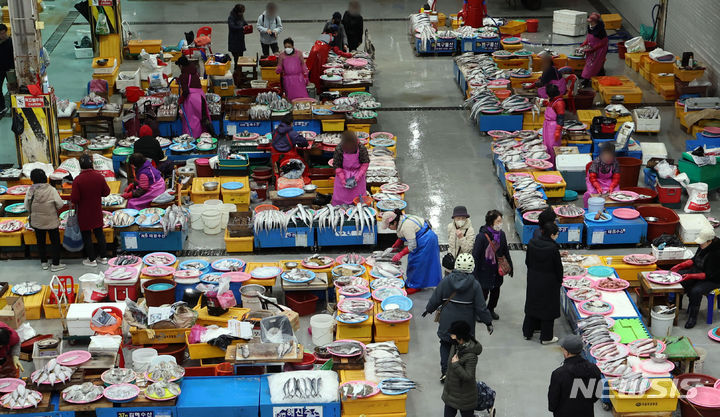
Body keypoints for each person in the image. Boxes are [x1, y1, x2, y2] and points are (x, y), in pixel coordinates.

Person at [425, 254, 492, 382]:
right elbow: (481, 307)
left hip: (447, 322)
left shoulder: (446, 281)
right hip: (465, 325)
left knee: (445, 344)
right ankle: (460, 371)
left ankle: (445, 371)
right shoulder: (475, 285)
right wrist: (488, 322)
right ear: (472, 267)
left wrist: (429, 309)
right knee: (464, 346)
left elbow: (436, 298)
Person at [382, 209, 442, 294]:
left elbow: (412, 245)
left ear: (394, 222)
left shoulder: (406, 226)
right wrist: (399, 241)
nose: (389, 228)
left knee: (419, 263)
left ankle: (416, 286)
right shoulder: (401, 219)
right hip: (420, 238)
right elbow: (406, 234)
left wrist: (400, 254)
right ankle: (414, 283)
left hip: (426, 240)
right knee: (415, 262)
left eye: (389, 226)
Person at [671, 228, 720, 328]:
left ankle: (693, 318)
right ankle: (676, 305)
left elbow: (708, 274)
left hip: (713, 279)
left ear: (710, 241)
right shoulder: (703, 246)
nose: (700, 244)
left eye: (702, 243)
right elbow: (694, 260)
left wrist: (690, 276)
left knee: (695, 291)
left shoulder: (717, 253)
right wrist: (681, 265)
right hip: (700, 271)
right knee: (678, 278)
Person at [524, 222, 563, 344]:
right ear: (552, 235)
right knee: (548, 308)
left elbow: (527, 261)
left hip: (533, 278)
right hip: (549, 282)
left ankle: (528, 331)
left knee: (532, 303)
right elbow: (558, 268)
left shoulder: (531, 243)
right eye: (556, 234)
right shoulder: (553, 248)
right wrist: (559, 280)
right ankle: (546, 337)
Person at [471, 210, 513, 320]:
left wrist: (510, 266)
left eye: (501, 221)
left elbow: (505, 251)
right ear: (491, 222)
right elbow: (475, 256)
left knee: (495, 292)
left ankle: (491, 309)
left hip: (496, 270)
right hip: (484, 271)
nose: (500, 223)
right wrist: (474, 273)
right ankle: (479, 312)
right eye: (498, 221)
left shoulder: (502, 235)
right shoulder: (481, 237)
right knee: (483, 294)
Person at [71, 153, 110, 267]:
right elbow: (106, 192)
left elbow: (75, 198)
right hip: (96, 210)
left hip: (84, 212)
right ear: (91, 164)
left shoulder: (78, 180)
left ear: (80, 166)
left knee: (87, 235)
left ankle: (92, 259)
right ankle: (103, 257)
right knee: (99, 233)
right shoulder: (99, 176)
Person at [548, 335, 602, 417]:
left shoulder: (559, 374)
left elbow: (553, 398)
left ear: (566, 352)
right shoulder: (594, 369)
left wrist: (553, 409)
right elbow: (597, 392)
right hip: (586, 412)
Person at [24, 168, 65, 272]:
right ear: (45, 178)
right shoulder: (51, 189)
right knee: (55, 242)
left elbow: (27, 206)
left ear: (32, 179)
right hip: (51, 221)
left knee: (40, 242)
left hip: (37, 222)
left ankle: (44, 263)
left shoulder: (31, 190)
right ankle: (55, 264)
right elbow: (60, 204)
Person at [441, 320, 483, 417]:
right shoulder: (455, 345)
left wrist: (456, 365)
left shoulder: (471, 356)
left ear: (460, 336)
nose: (451, 335)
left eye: (453, 333)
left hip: (465, 397)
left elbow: (469, 376)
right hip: (451, 392)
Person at [176, 56, 211, 138]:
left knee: (192, 121)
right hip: (200, 97)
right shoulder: (194, 72)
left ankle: (192, 137)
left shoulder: (184, 75)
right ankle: (203, 136)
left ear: (181, 65)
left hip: (192, 99)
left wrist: (180, 100)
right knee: (200, 118)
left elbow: (186, 91)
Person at [331, 130, 369, 205]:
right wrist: (342, 178)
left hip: (358, 174)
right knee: (340, 201)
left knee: (358, 201)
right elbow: (337, 165)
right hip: (343, 173)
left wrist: (358, 177)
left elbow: (365, 163)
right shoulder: (339, 148)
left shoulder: (361, 148)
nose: (349, 147)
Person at [584, 142, 620, 208]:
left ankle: (613, 207)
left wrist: (612, 186)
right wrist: (597, 186)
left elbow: (616, 177)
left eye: (610, 156)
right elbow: (592, 177)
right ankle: (588, 207)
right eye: (605, 155)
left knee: (616, 192)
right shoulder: (596, 162)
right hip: (595, 180)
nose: (608, 157)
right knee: (592, 192)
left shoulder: (615, 163)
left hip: (609, 180)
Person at [580, 13, 609, 87]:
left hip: (600, 50)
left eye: (591, 20)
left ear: (594, 21)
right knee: (594, 64)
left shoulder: (600, 30)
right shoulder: (590, 27)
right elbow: (588, 37)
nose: (589, 21)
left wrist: (594, 48)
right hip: (591, 47)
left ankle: (586, 80)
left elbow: (604, 41)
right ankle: (601, 75)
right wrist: (585, 43)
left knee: (592, 64)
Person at [446, 206, 475, 273]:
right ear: (454, 218)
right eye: (458, 218)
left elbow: (468, 250)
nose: (460, 220)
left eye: (463, 218)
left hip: (462, 266)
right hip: (451, 264)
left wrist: (461, 238)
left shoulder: (470, 230)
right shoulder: (450, 227)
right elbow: (450, 245)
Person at [542, 84, 565, 164]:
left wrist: (558, 130)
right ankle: (548, 163)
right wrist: (547, 103)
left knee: (553, 146)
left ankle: (554, 165)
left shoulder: (559, 103)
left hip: (553, 127)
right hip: (547, 126)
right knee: (546, 145)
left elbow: (561, 118)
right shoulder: (553, 100)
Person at [0, 24, 13, 116]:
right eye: (0, 34)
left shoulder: (11, 42)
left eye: (4, 33)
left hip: (10, 69)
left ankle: (14, 106)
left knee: (13, 88)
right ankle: (2, 107)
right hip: (0, 69)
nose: (2, 36)